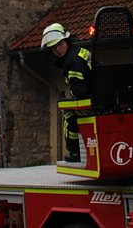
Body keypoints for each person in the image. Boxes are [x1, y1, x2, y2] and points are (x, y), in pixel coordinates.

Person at [41, 22, 93, 162]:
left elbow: (80, 92)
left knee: (68, 113)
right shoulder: (79, 52)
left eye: (59, 44)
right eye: (53, 47)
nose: (57, 49)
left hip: (93, 105)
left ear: (66, 40)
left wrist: (68, 102)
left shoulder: (72, 61)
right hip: (100, 99)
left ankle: (75, 152)